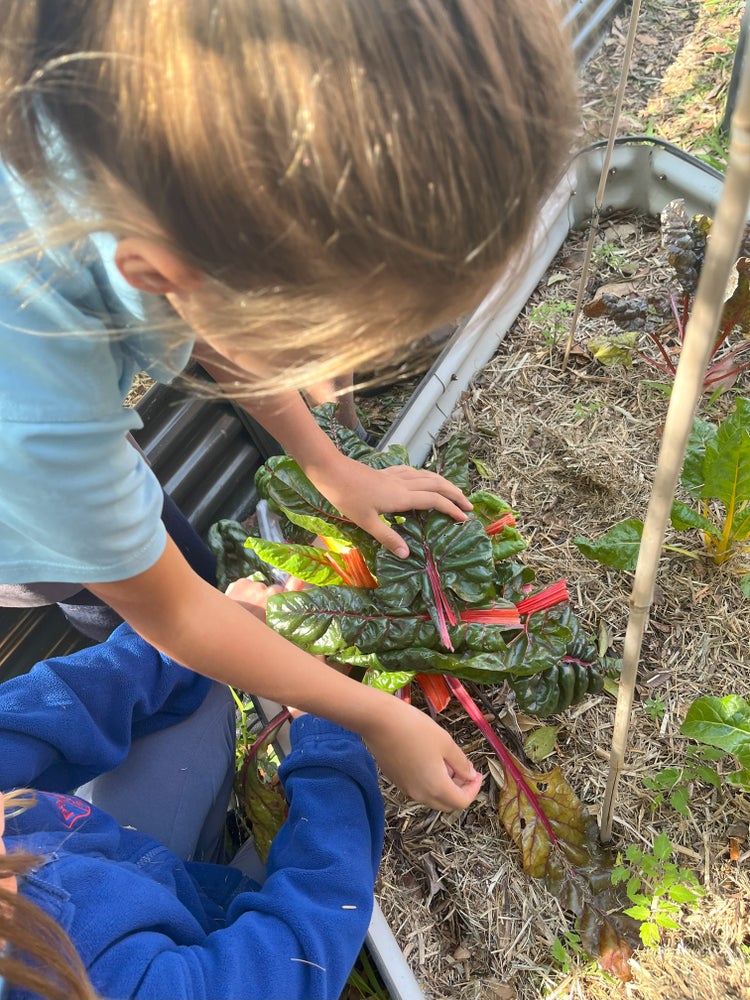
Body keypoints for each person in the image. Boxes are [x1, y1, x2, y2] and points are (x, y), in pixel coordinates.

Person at [0, 0, 577, 812]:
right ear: (159, 270)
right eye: (310, 349)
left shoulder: (157, 120)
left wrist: (328, 463)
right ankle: (152, 676)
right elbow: (178, 616)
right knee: (108, 590)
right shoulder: (35, 426)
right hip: (18, 501)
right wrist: (373, 716)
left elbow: (218, 321)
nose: (324, 376)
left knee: (179, 568)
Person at [0, 616, 385, 1000]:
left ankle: (213, 851)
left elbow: (60, 703)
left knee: (201, 696)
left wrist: (200, 628)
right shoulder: (92, 983)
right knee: (328, 857)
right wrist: (325, 724)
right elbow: (307, 940)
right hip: (199, 939)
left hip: (133, 865)